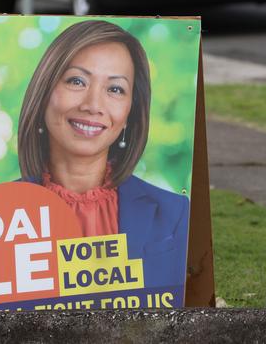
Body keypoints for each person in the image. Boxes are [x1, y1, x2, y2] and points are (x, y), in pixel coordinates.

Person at [17, 20, 189, 289]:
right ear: (44, 92)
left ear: (130, 113)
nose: (93, 105)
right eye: (77, 81)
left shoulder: (176, 214)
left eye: (115, 89)